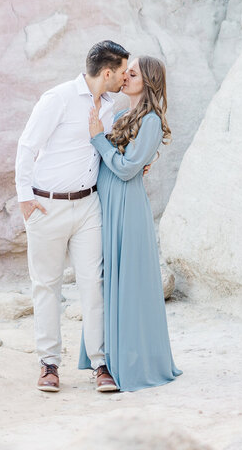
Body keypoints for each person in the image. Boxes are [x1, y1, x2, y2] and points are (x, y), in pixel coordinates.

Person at [16, 40, 130, 393]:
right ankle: (49, 364)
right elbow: (27, 146)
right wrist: (24, 198)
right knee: (47, 286)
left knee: (92, 285)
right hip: (46, 206)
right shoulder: (58, 98)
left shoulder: (112, 106)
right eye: (123, 72)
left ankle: (100, 364)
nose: (126, 78)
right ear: (107, 72)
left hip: (88, 207)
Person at [78, 55, 182, 391]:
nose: (126, 76)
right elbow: (119, 160)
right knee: (106, 278)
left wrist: (99, 139)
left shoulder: (151, 120)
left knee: (129, 281)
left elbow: (125, 168)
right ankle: (104, 358)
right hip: (107, 202)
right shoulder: (123, 115)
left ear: (147, 81)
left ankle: (132, 363)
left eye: (132, 73)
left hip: (127, 206)